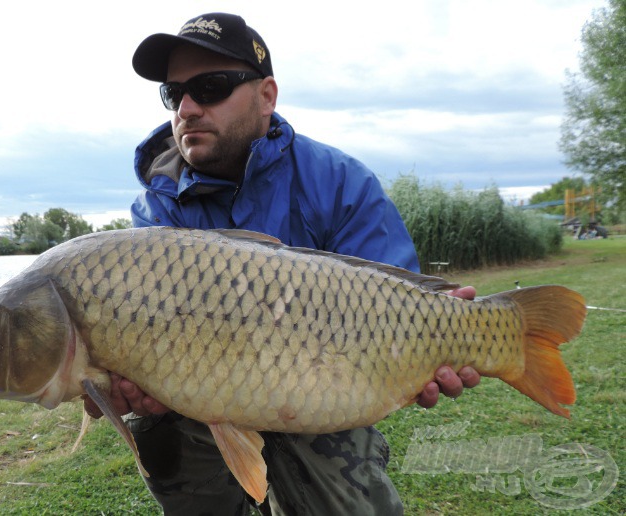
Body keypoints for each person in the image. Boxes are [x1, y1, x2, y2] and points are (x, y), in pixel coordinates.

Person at [88, 12, 480, 515]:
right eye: (173, 93)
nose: (186, 108)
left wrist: (436, 345)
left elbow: (394, 302)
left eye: (209, 87)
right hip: (192, 402)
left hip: (322, 386)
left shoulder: (338, 181)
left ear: (267, 96)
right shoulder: (156, 210)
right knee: (167, 440)